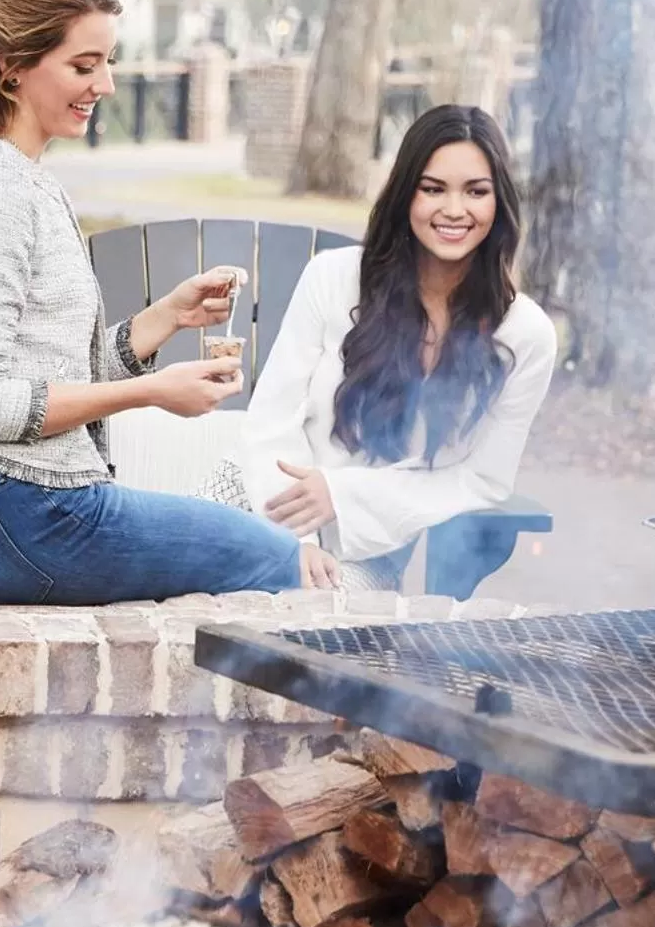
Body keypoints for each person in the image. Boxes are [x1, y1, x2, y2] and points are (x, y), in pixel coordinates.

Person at [0, 0, 302, 603]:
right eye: (83, 65)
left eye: (107, 61)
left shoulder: (20, 180)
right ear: (12, 70)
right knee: (276, 557)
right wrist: (151, 392)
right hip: (9, 514)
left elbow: (42, 379)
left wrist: (166, 319)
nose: (104, 85)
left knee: (263, 546)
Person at [194, 105, 557, 590]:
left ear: (500, 203)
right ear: (406, 194)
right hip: (254, 499)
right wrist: (295, 540)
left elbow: (482, 480)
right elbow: (271, 422)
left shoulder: (524, 336)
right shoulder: (333, 278)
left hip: (367, 541)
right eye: (433, 189)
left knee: (313, 635)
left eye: (476, 191)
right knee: (176, 617)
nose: (454, 209)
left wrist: (341, 495)